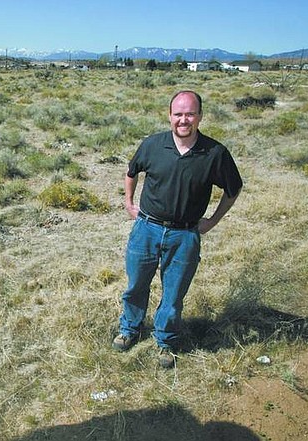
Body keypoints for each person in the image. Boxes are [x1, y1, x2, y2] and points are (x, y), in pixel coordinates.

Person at [112, 90, 242, 369]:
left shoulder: (215, 153)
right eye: (178, 114)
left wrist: (212, 221)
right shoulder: (153, 145)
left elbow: (233, 189)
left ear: (200, 116)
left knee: (173, 295)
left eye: (190, 114)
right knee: (136, 286)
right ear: (170, 116)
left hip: (185, 236)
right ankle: (129, 329)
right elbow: (131, 172)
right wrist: (129, 203)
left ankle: (165, 341)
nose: (184, 120)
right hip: (146, 229)